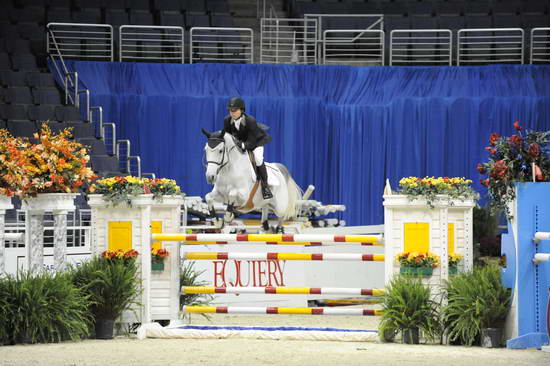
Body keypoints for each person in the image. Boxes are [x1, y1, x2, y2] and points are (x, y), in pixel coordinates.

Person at [222, 97, 273, 199]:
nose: (232, 113)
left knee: (258, 158)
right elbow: (227, 136)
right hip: (240, 142)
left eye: (235, 110)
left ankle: (265, 186)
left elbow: (252, 141)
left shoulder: (250, 120)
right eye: (230, 110)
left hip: (256, 142)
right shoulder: (227, 120)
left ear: (242, 110)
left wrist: (242, 145)